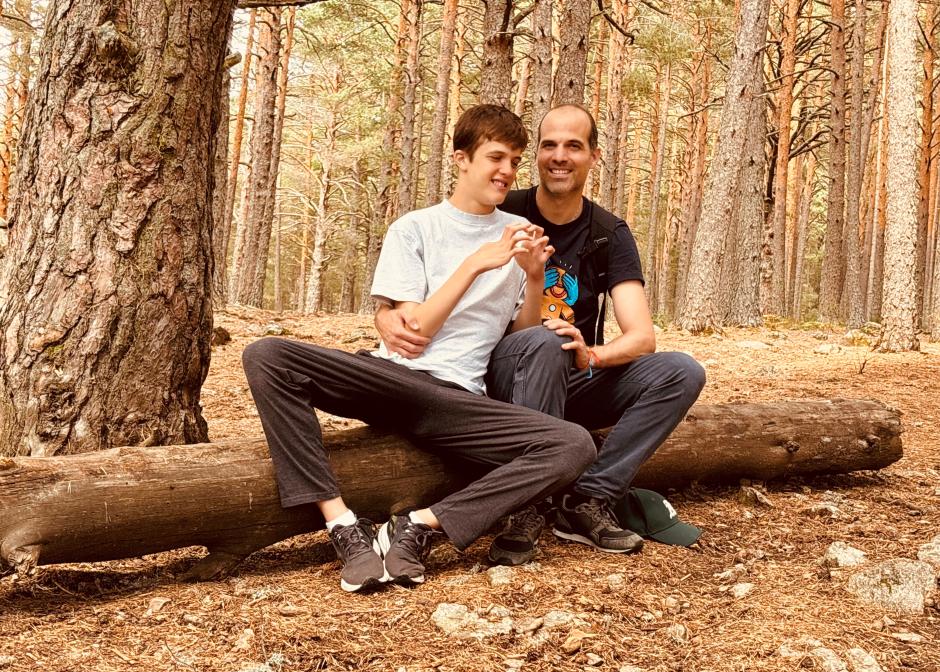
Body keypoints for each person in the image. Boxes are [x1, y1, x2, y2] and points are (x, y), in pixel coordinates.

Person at [242, 104, 597, 592]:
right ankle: (341, 522)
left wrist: (533, 277)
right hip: (390, 378)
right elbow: (415, 332)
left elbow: (522, 338)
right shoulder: (415, 228)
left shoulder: (518, 237)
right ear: (461, 159)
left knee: (573, 442)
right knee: (267, 356)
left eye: (514, 160)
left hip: (457, 398)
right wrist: (474, 265)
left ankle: (421, 525)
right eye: (496, 157)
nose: (507, 171)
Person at [376, 104, 706, 566]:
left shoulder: (609, 233)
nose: (559, 156)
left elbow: (641, 337)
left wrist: (591, 355)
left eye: (574, 146)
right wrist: (384, 313)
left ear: (594, 156)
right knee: (542, 342)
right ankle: (526, 507)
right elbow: (433, 261)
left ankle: (587, 499)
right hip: (505, 376)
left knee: (680, 371)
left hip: (571, 373)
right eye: (549, 145)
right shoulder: (502, 208)